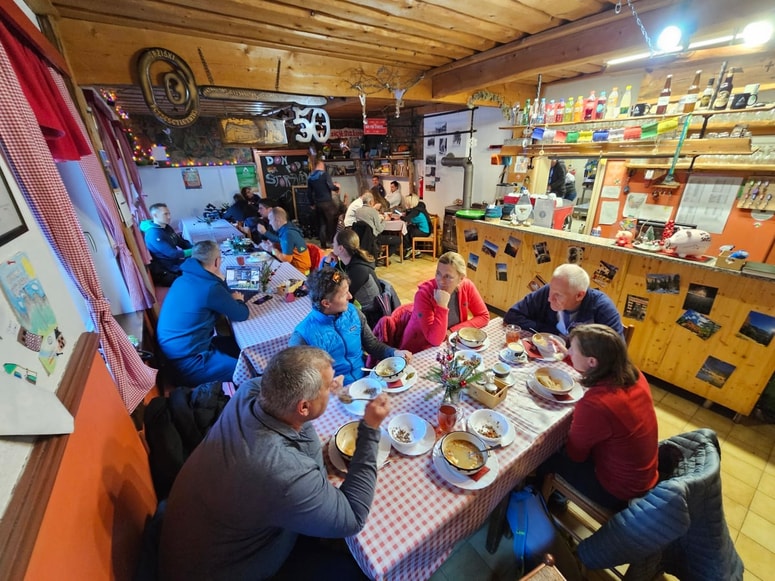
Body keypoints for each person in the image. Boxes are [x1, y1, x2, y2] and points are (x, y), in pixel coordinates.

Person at [159, 346, 390, 581]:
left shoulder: (251, 391)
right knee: (361, 567)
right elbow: (352, 518)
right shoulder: (282, 471)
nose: (335, 385)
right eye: (328, 384)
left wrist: (320, 393)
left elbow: (298, 427)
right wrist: (370, 429)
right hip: (221, 569)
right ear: (303, 407)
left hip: (194, 531)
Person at [541, 324, 658, 511]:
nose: (568, 351)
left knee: (542, 454)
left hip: (616, 492)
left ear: (592, 362)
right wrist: (570, 357)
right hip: (644, 478)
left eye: (573, 349)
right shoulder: (633, 374)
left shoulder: (596, 404)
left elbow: (575, 455)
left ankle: (544, 500)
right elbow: (594, 369)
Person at [289, 267, 411, 384]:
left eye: (348, 291)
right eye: (344, 294)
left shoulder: (353, 312)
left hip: (365, 380)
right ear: (326, 303)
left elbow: (372, 345)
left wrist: (394, 353)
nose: (350, 297)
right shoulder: (302, 337)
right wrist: (326, 386)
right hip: (333, 392)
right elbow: (300, 380)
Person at [156, 240, 249, 386]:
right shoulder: (210, 288)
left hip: (172, 355)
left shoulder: (181, 279)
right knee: (246, 370)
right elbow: (241, 314)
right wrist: (239, 300)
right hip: (189, 363)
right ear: (217, 262)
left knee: (238, 345)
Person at [398, 252, 489, 353]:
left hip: (448, 345)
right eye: (438, 273)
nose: (440, 281)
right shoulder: (423, 294)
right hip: (419, 350)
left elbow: (484, 316)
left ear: (461, 279)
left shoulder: (467, 286)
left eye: (448, 276)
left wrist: (452, 331)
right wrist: (442, 306)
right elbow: (435, 340)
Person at [504, 263, 623, 337]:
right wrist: (552, 333)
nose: (550, 299)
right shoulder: (547, 291)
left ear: (579, 295)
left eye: (558, 295)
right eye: (551, 290)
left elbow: (615, 352)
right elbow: (512, 315)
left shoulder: (602, 307)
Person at [330, 228, 382, 327]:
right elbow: (333, 279)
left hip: (369, 317)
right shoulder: (348, 262)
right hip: (361, 310)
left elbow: (341, 297)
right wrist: (329, 263)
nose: (332, 245)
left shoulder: (358, 270)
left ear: (341, 248)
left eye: (334, 243)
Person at [144, 202, 193, 285]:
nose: (169, 217)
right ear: (155, 215)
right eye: (165, 214)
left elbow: (181, 242)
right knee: (199, 278)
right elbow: (172, 253)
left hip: (176, 264)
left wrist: (197, 247)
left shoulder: (166, 227)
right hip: (167, 270)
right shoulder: (153, 233)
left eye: (169, 213)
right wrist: (194, 251)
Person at [258, 206, 311, 273]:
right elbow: (283, 242)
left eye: (270, 220)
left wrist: (272, 250)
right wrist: (272, 245)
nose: (270, 223)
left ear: (277, 220)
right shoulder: (288, 227)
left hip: (300, 271)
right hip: (296, 266)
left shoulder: (288, 234)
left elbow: (286, 259)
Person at [354, 193, 400, 257]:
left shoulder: (357, 211)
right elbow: (380, 229)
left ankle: (380, 255)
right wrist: (384, 220)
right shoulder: (373, 211)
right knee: (398, 239)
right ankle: (384, 257)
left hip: (361, 238)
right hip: (373, 238)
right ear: (371, 202)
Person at [307, 159, 340, 249]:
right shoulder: (325, 174)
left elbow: (309, 193)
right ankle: (333, 242)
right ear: (321, 165)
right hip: (327, 203)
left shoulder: (310, 177)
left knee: (322, 224)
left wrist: (312, 204)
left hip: (318, 204)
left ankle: (323, 245)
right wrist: (336, 187)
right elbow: (330, 186)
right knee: (332, 223)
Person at [401, 194, 432, 259]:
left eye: (406, 202)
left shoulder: (415, 211)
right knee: (408, 229)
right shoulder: (419, 208)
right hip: (426, 229)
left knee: (406, 230)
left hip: (424, 231)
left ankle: (409, 248)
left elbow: (406, 219)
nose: (405, 204)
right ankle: (412, 249)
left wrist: (401, 216)